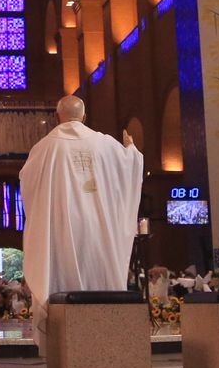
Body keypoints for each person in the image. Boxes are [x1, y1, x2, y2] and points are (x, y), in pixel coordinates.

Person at [18, 95, 143, 351]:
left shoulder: (44, 148)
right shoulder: (105, 144)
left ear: (56, 117)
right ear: (84, 117)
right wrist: (131, 150)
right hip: (99, 231)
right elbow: (129, 165)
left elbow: (28, 185)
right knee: (99, 278)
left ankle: (67, 349)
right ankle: (104, 348)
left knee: (61, 280)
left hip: (61, 230)